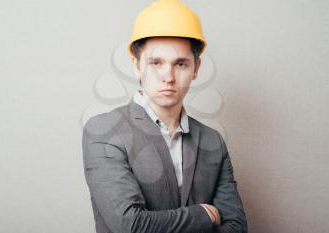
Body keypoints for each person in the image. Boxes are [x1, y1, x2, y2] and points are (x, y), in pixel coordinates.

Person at [82, 0, 247, 232]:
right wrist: (203, 214)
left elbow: (236, 226)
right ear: (137, 65)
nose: (168, 77)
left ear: (196, 69)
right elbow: (131, 226)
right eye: (156, 63)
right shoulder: (103, 131)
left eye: (180, 64)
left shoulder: (213, 141)